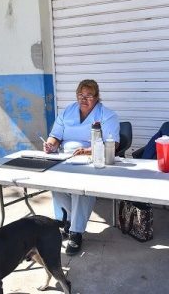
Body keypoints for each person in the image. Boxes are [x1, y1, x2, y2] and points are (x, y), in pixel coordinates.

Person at [43, 79, 120, 255]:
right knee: (55, 184)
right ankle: (66, 222)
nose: (83, 99)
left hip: (93, 160)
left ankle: (76, 232)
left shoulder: (107, 115)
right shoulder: (67, 112)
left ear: (97, 97)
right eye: (80, 95)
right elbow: (55, 135)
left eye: (89, 96)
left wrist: (87, 151)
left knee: (80, 189)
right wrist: (51, 145)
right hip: (66, 158)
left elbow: (112, 144)